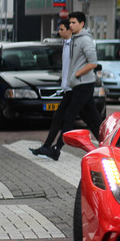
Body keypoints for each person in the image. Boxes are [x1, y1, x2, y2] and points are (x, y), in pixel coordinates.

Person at [30, 12, 101, 161]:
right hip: (77, 85)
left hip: (83, 84)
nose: (71, 25)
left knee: (69, 117)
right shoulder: (74, 39)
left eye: (74, 22)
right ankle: (107, 145)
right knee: (92, 120)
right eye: (71, 23)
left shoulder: (85, 40)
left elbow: (93, 63)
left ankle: (56, 149)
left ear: (82, 24)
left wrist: (76, 74)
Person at [30, 19, 73, 158]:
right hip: (69, 88)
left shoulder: (75, 45)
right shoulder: (65, 44)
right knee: (60, 117)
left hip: (76, 88)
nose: (59, 32)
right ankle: (49, 147)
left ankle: (55, 148)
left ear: (69, 30)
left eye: (61, 29)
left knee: (69, 119)